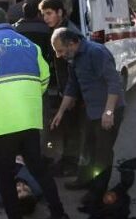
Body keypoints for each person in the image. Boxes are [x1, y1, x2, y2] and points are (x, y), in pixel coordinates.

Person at [0, 7, 70, 219]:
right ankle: (59, 216)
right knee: (38, 169)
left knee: (4, 175)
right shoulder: (28, 44)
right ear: (8, 22)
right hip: (29, 118)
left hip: (3, 120)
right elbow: (44, 78)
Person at [50, 28, 126, 207]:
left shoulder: (96, 52)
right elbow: (72, 87)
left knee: (102, 153)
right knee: (87, 148)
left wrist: (108, 112)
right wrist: (60, 112)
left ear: (71, 43)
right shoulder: (73, 58)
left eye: (60, 50)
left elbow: (114, 82)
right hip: (92, 110)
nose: (59, 55)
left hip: (109, 109)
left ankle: (97, 192)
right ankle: (83, 179)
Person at [39, 0, 84, 180]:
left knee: (73, 128)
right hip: (66, 88)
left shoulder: (69, 33)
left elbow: (75, 67)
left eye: (49, 13)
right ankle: (67, 160)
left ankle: (71, 164)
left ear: (60, 12)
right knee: (67, 126)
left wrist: (71, 95)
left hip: (73, 90)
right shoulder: (58, 30)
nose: (46, 18)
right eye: (43, 14)